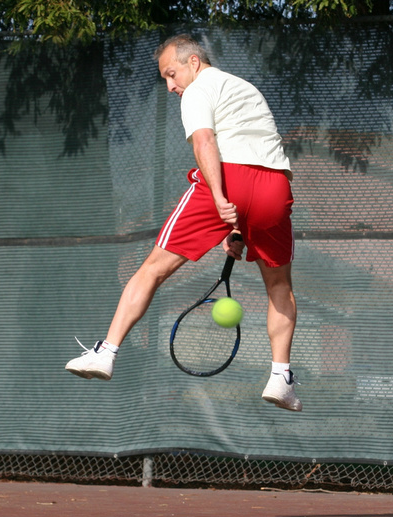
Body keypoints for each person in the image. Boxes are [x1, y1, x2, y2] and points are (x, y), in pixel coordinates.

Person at [65, 34, 302, 412]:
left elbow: (205, 143)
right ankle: (280, 377)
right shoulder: (245, 88)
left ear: (193, 62)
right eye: (165, 79)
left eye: (171, 74)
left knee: (153, 269)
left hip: (227, 179)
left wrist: (222, 198)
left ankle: (105, 353)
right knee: (280, 287)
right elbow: (254, 157)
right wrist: (238, 229)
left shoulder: (197, 90)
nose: (171, 86)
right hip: (276, 187)